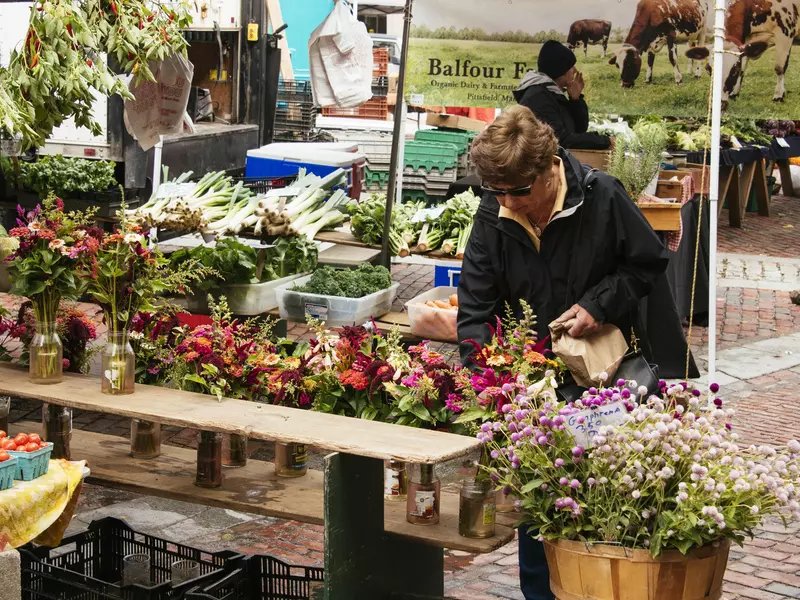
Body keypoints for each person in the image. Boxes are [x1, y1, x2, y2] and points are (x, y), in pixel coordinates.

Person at [456, 106, 687, 599]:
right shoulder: (494, 211)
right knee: (538, 509)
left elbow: (646, 265)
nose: (509, 203)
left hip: (605, 379)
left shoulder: (602, 197)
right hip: (533, 389)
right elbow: (475, 308)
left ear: (549, 167)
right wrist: (489, 381)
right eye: (497, 191)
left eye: (519, 191)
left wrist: (597, 305)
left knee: (609, 502)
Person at [514, 40, 611, 150]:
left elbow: (579, 130)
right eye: (571, 66)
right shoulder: (538, 97)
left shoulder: (552, 93)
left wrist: (576, 99)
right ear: (560, 71)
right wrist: (605, 141)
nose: (575, 70)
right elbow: (561, 140)